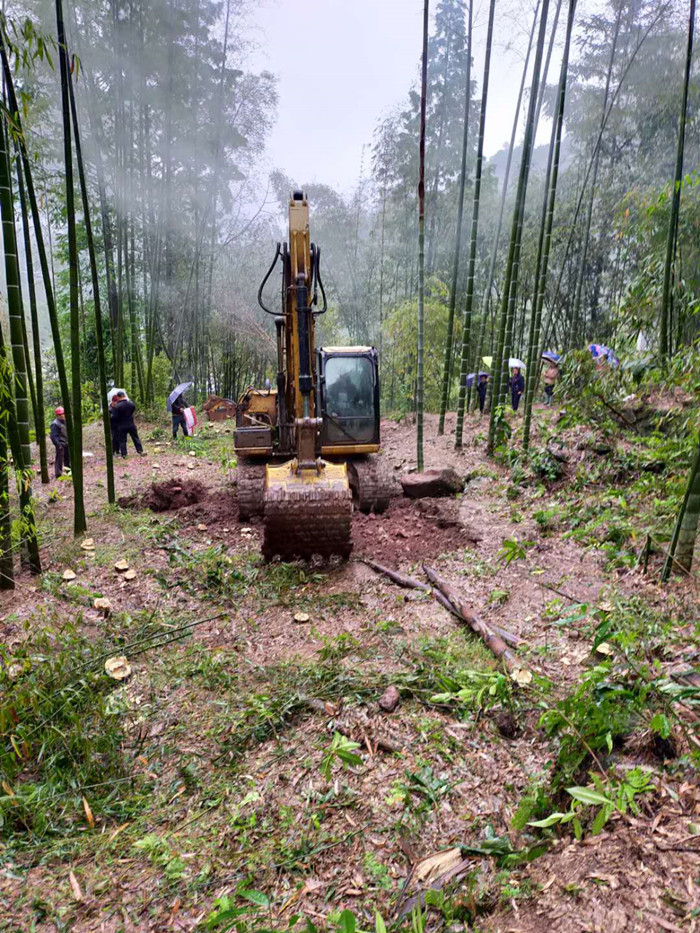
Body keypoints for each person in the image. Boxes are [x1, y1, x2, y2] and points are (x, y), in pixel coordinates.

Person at [113, 392, 146, 458]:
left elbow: (115, 417)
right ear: (124, 396)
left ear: (118, 397)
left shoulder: (117, 406)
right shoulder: (131, 404)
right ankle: (140, 450)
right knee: (135, 438)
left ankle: (124, 454)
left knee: (122, 440)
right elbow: (132, 411)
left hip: (122, 425)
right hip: (131, 423)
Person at [49, 406, 70, 479]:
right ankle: (58, 473)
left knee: (68, 458)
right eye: (61, 414)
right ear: (58, 416)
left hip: (66, 443)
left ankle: (68, 471)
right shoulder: (55, 424)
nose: (63, 415)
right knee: (59, 459)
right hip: (60, 444)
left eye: (63, 414)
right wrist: (58, 445)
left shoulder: (65, 422)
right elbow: (53, 436)